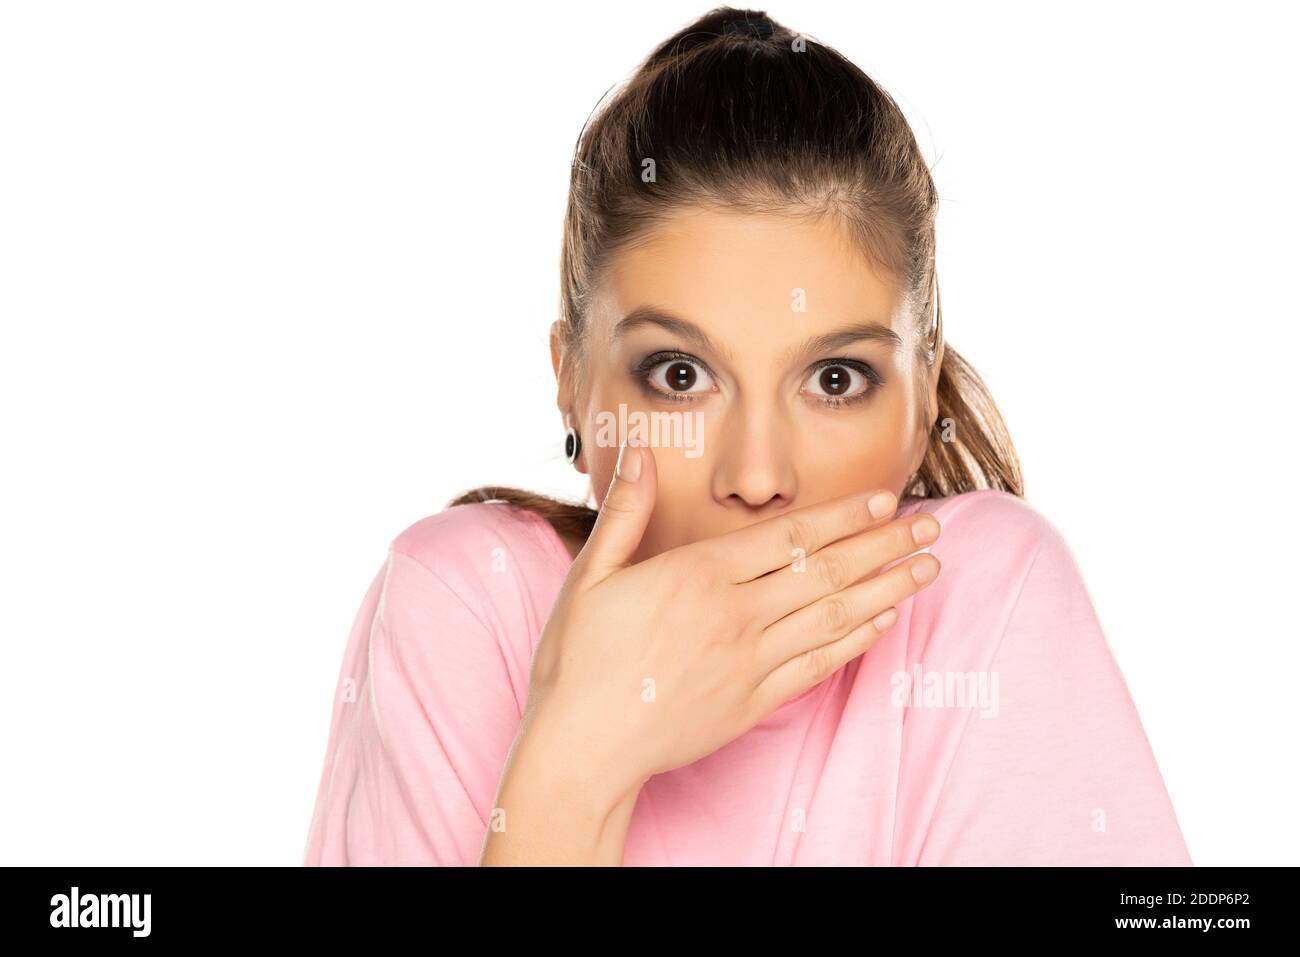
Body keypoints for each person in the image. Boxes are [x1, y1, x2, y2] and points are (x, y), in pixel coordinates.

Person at [303, 6, 1191, 866]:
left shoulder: (981, 591)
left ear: (923, 402)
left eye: (834, 379)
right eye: (680, 375)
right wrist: (575, 764)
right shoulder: (466, 602)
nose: (758, 476)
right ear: (572, 379)